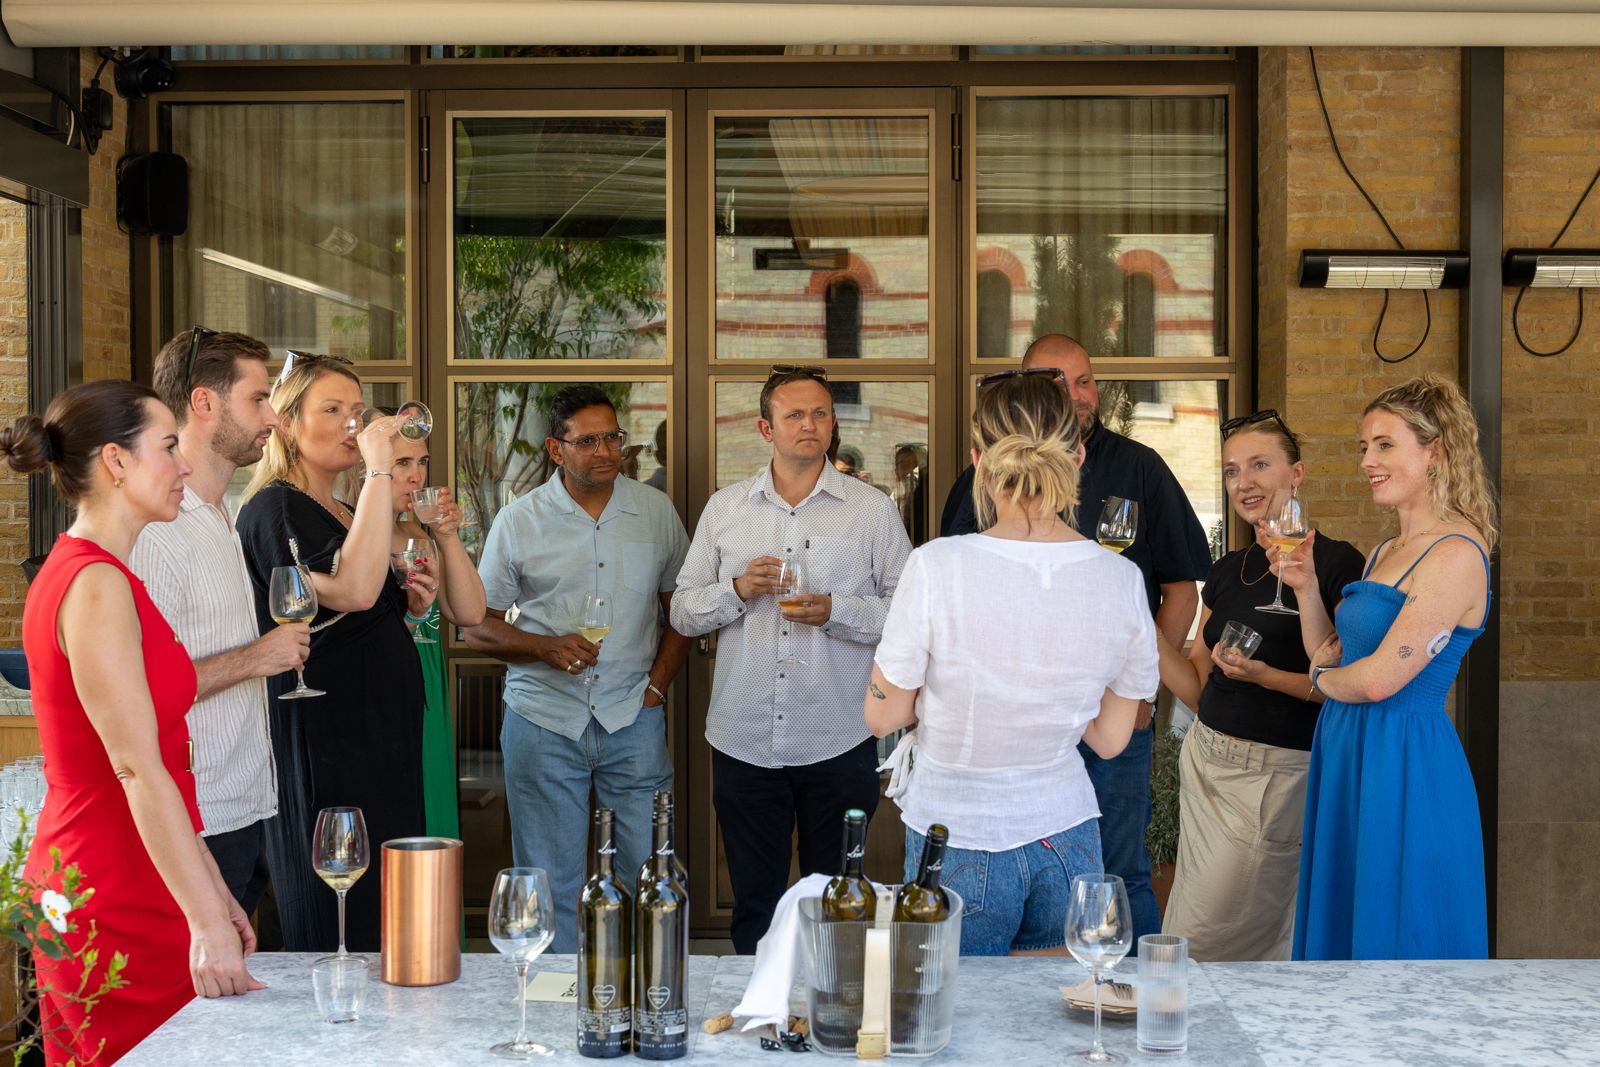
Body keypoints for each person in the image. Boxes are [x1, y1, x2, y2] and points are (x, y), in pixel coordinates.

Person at [5, 381, 262, 1065]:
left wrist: (212, 889)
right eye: (168, 446)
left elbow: (162, 763)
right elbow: (136, 765)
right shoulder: (94, 584)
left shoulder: (103, 573)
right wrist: (205, 917)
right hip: (111, 884)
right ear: (116, 462)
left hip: (135, 870)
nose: (183, 465)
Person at [865, 374, 1156, 956]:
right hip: (1069, 833)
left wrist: (938, 698)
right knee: (1061, 1020)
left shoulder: (937, 565)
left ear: (978, 461)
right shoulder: (1120, 578)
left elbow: (883, 715)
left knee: (953, 1021)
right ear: (1077, 456)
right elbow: (1109, 739)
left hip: (957, 831)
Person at [939, 334, 1211, 942]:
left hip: (1110, 723)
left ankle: (1130, 1008)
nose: (1077, 395)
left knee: (1120, 876)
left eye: (1085, 381)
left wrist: (1139, 694)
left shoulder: (1140, 467)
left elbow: (1178, 590)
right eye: (1058, 383)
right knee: (1011, 880)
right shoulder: (979, 485)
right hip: (1016, 732)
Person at [671, 365, 912, 954]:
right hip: (744, 737)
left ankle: (832, 1016)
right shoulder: (725, 509)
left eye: (821, 414)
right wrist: (737, 590)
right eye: (795, 415)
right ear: (764, 427)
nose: (810, 425)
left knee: (839, 901)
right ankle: (756, 1030)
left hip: (838, 735)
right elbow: (681, 611)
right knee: (755, 903)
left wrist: (838, 610)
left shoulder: (870, 510)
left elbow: (910, 613)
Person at [464, 385, 690, 954]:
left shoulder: (655, 512)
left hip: (631, 717)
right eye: (587, 440)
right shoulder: (520, 521)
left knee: (649, 875)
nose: (605, 450)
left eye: (612, 436)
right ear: (555, 449)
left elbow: (683, 611)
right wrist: (543, 647)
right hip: (543, 720)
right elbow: (478, 623)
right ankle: (556, 1005)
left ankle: (647, 998)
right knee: (549, 879)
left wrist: (657, 688)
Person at [1292, 375, 1497, 961]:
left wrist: (1320, 682)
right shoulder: (1386, 551)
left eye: (1384, 445)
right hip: (1350, 748)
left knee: (1401, 931)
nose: (1367, 461)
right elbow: (1330, 653)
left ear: (1434, 452)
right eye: (1364, 447)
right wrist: (1307, 588)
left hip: (1403, 762)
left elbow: (1379, 679)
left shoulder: (1457, 554)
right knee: (1346, 922)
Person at [1154, 410, 1364, 961]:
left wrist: (1265, 675)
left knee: (1202, 945)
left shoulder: (1339, 564)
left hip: (1271, 779)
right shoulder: (1227, 570)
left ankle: (1200, 1042)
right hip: (1206, 767)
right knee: (1198, 930)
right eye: (1230, 471)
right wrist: (1140, 631)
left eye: (1259, 465)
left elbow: (1344, 687)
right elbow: (1199, 689)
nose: (1242, 482)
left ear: (1297, 473)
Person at [236, 353, 426, 953]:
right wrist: (376, 469)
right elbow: (353, 589)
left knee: (386, 910)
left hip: (380, 736)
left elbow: (371, 603)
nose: (352, 424)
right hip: (329, 736)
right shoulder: (275, 507)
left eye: (357, 410)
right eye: (333, 410)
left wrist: (417, 601)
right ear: (288, 423)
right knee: (338, 909)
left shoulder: (342, 508)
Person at [130, 329, 311, 922]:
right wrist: (260, 657)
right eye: (258, 400)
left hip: (245, 804)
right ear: (204, 403)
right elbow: (143, 692)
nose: (272, 417)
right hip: (195, 819)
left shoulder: (221, 510)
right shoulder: (158, 532)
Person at [385, 431, 486, 839]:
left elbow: (471, 612)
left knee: (434, 817)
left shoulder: (419, 536)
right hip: (388, 692)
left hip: (428, 686)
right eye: (402, 463)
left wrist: (446, 535)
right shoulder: (354, 537)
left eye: (421, 462)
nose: (416, 476)